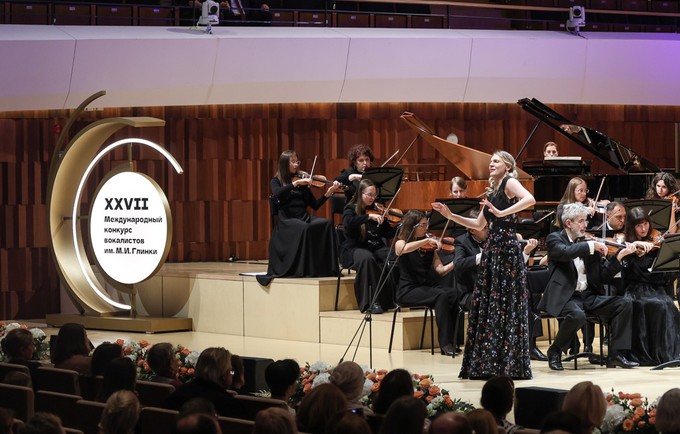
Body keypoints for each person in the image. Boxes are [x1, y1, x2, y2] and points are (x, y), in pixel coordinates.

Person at [432, 150, 536, 379]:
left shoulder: (509, 182)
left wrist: (501, 212)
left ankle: (508, 365)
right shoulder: (492, 190)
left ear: (507, 165)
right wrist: (450, 215)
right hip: (492, 250)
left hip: (506, 250)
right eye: (490, 161)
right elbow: (478, 224)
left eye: (496, 161)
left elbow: (530, 199)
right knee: (491, 305)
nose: (491, 164)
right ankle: (490, 363)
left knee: (505, 304)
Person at [538, 202, 639, 371]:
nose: (585, 225)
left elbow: (602, 276)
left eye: (586, 220)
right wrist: (590, 246)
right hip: (567, 296)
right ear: (569, 223)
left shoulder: (589, 242)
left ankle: (616, 354)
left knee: (624, 303)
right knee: (577, 315)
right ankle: (555, 351)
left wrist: (619, 257)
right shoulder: (555, 239)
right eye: (581, 221)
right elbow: (565, 252)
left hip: (588, 296)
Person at [454, 209, 545, 361]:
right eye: (484, 227)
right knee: (494, 303)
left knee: (529, 296)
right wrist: (483, 255)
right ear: (472, 229)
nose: (488, 230)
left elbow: (512, 265)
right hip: (472, 292)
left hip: (496, 289)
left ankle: (530, 347)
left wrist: (525, 252)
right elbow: (458, 264)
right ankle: (490, 351)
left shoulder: (494, 238)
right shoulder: (461, 241)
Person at [258, 150, 342, 285]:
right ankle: (302, 269)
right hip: (287, 220)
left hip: (303, 216)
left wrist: (329, 192)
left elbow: (314, 205)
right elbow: (277, 193)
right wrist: (295, 184)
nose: (296, 164)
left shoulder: (302, 183)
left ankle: (326, 268)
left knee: (326, 223)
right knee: (304, 228)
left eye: (297, 161)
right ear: (284, 163)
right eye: (293, 162)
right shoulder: (276, 181)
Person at [393, 209, 459, 356]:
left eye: (426, 224)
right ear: (413, 226)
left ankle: (454, 340)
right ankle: (445, 344)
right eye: (423, 225)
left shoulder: (430, 247)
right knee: (441, 295)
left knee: (453, 294)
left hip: (425, 287)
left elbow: (440, 270)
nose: (426, 228)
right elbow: (402, 249)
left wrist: (456, 262)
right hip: (408, 290)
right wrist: (426, 240)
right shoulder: (401, 242)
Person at [620, 207, 680, 366]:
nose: (643, 229)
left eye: (646, 224)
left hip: (655, 287)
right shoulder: (627, 245)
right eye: (638, 225)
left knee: (668, 304)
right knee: (658, 305)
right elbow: (629, 274)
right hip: (636, 289)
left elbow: (664, 272)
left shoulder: (655, 242)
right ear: (632, 227)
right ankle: (654, 354)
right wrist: (632, 250)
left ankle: (669, 353)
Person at [341, 178, 397, 314]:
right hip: (354, 248)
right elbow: (348, 223)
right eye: (369, 195)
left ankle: (393, 299)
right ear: (360, 193)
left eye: (374, 195)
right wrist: (368, 217)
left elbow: (387, 233)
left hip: (374, 247)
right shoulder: (350, 208)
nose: (373, 198)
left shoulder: (377, 210)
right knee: (367, 259)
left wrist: (400, 227)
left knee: (393, 256)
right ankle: (371, 302)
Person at [165, 347, 245, 419]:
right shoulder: (230, 406)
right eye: (231, 371)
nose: (232, 375)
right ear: (223, 375)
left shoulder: (178, 393)